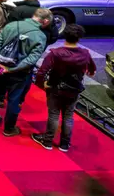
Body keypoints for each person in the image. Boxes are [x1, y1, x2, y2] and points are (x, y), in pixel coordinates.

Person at [32, 24, 96, 152]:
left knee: (54, 114)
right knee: (68, 116)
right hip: (74, 89)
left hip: (55, 88)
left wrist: (41, 84)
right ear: (79, 38)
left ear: (65, 35)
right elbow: (92, 70)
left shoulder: (55, 53)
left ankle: (47, 141)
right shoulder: (85, 53)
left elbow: (41, 72)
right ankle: (65, 144)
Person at [0, 8, 52, 136]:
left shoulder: (12, 25)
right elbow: (32, 59)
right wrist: (11, 69)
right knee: (14, 100)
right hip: (20, 73)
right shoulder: (40, 36)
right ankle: (9, 128)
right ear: (45, 21)